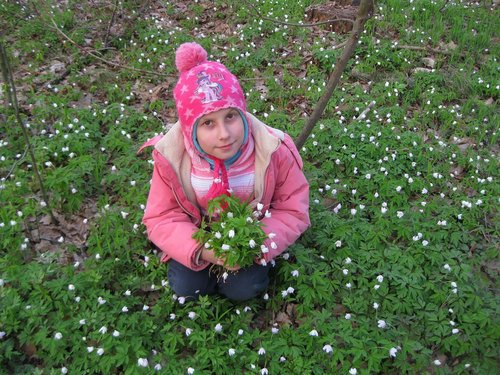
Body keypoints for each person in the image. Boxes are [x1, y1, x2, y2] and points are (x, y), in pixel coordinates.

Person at [140, 42, 310, 302]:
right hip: (198, 234)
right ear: (189, 129)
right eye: (208, 123)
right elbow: (161, 216)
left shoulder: (273, 149)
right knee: (189, 288)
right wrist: (204, 250)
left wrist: (256, 244)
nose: (224, 134)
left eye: (230, 117)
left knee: (242, 289)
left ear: (242, 113)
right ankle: (200, 266)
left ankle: (243, 275)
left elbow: (292, 207)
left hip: (249, 236)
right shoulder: (172, 157)